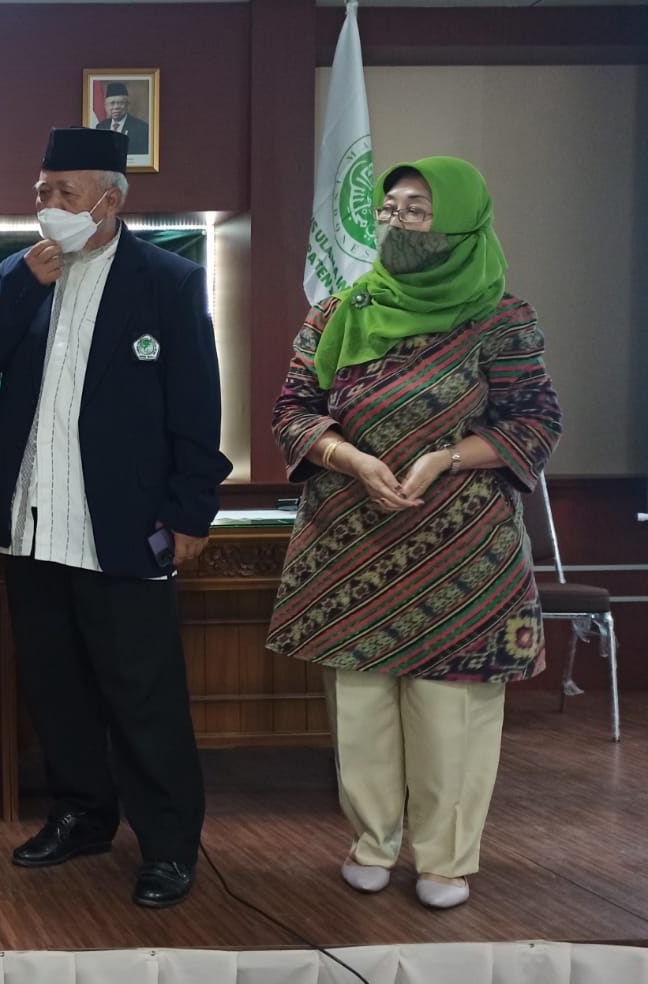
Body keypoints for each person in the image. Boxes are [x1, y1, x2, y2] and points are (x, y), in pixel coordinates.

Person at [267, 157, 562, 910]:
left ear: (460, 223)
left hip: (463, 555)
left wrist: (443, 458)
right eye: (390, 208)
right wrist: (351, 458)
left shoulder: (501, 318)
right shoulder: (339, 311)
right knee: (361, 708)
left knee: (449, 713)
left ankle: (446, 859)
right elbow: (293, 412)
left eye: (417, 211)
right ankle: (372, 842)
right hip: (351, 542)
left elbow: (535, 421)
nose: (397, 222)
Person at [0, 127, 229, 908]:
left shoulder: (168, 281)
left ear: (109, 201)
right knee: (56, 688)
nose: (47, 203)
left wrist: (191, 510)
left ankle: (169, 845)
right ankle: (81, 816)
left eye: (64, 192)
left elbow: (196, 404)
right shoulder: (20, 271)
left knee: (143, 695)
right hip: (34, 525)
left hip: (123, 527)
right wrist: (23, 288)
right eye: (41, 190)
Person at [94, 83, 150, 156]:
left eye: (121, 103)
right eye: (112, 103)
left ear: (127, 105)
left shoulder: (142, 128)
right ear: (105, 106)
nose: (116, 107)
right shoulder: (100, 127)